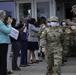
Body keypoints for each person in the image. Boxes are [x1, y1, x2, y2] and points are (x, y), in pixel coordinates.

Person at [0, 10, 12, 75]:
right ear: (3, 16)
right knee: (3, 59)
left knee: (2, 59)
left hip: (2, 42)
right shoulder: (0, 23)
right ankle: (3, 72)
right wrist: (9, 24)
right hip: (2, 43)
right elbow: (7, 31)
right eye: (4, 15)